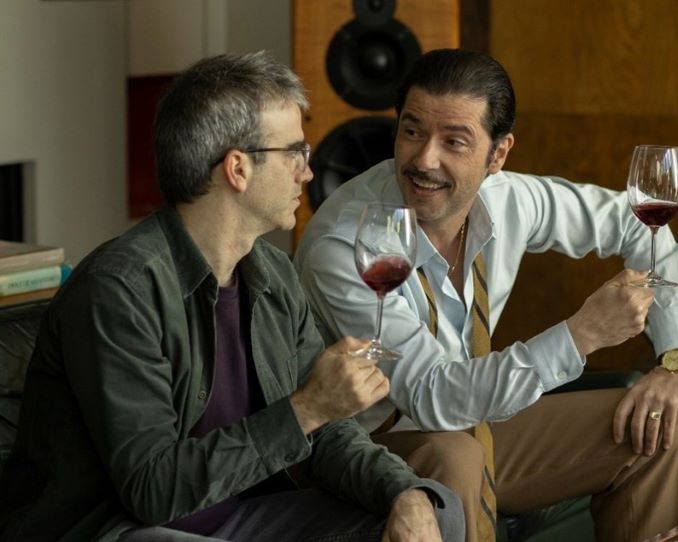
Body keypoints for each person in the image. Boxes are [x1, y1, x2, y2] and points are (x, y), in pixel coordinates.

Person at [0, 51, 465, 542]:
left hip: (237, 517)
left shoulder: (273, 274)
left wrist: (403, 492)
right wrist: (306, 408)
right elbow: (152, 490)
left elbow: (327, 428)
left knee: (436, 510)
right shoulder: (119, 291)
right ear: (238, 169)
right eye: (295, 153)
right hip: (118, 529)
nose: (307, 173)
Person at [294, 48, 678, 542]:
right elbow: (430, 395)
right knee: (454, 452)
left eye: (454, 141)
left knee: (659, 422)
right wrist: (581, 335)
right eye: (412, 132)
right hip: (362, 450)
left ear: (498, 154)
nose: (424, 159)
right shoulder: (347, 245)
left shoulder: (509, 198)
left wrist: (672, 363)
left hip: (476, 422)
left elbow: (637, 223)